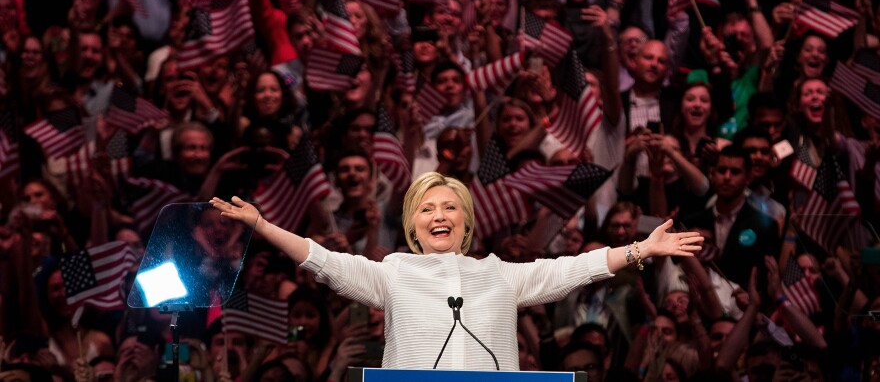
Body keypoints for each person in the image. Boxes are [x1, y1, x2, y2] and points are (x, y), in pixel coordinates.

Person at [210, 172, 703, 371]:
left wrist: (642, 248)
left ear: (466, 220)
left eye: (450, 206)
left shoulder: (500, 274)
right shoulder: (394, 272)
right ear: (412, 224)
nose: (439, 215)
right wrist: (264, 225)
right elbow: (324, 261)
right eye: (427, 209)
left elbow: (573, 269)